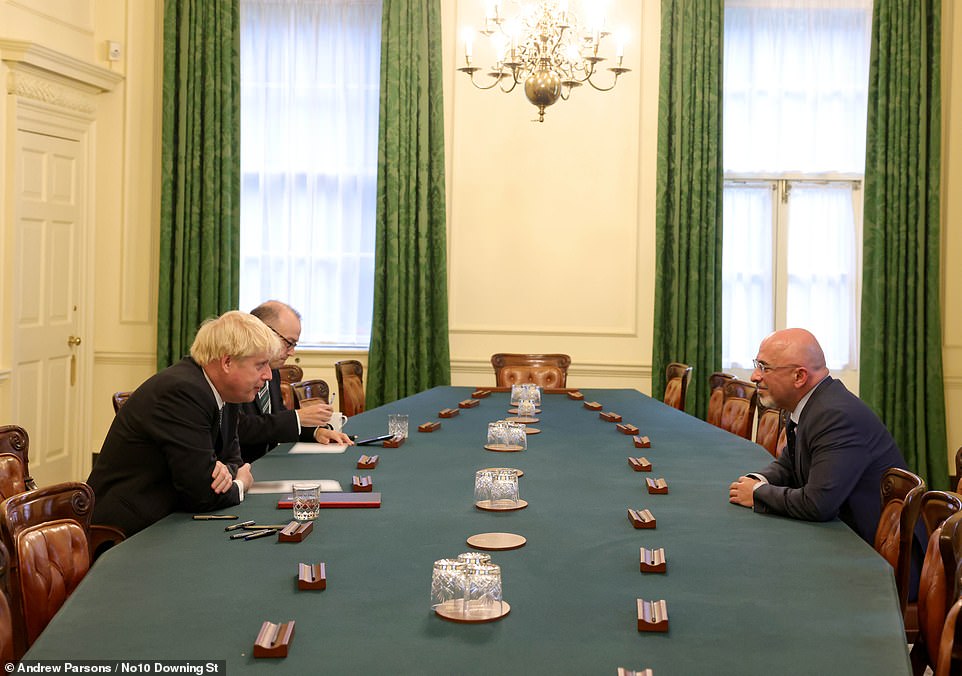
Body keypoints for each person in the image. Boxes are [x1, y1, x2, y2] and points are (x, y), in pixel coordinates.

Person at [87, 311, 277, 536]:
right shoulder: (182, 392)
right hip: (127, 532)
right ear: (227, 362)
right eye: (260, 365)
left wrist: (220, 469)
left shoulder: (227, 391)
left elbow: (233, 459)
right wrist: (240, 485)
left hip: (170, 517)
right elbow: (203, 494)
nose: (268, 376)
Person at [728, 327, 911, 545]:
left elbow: (818, 504)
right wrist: (758, 480)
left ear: (799, 376)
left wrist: (758, 493)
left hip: (868, 549)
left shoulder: (835, 415)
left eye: (764, 367)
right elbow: (789, 466)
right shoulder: (813, 404)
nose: (754, 376)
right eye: (757, 365)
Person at [238, 300, 352, 463]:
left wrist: (315, 432)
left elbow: (276, 417)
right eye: (289, 343)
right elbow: (241, 428)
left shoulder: (273, 372)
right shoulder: (238, 371)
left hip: (270, 463)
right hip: (245, 466)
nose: (292, 352)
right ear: (264, 331)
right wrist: (297, 417)